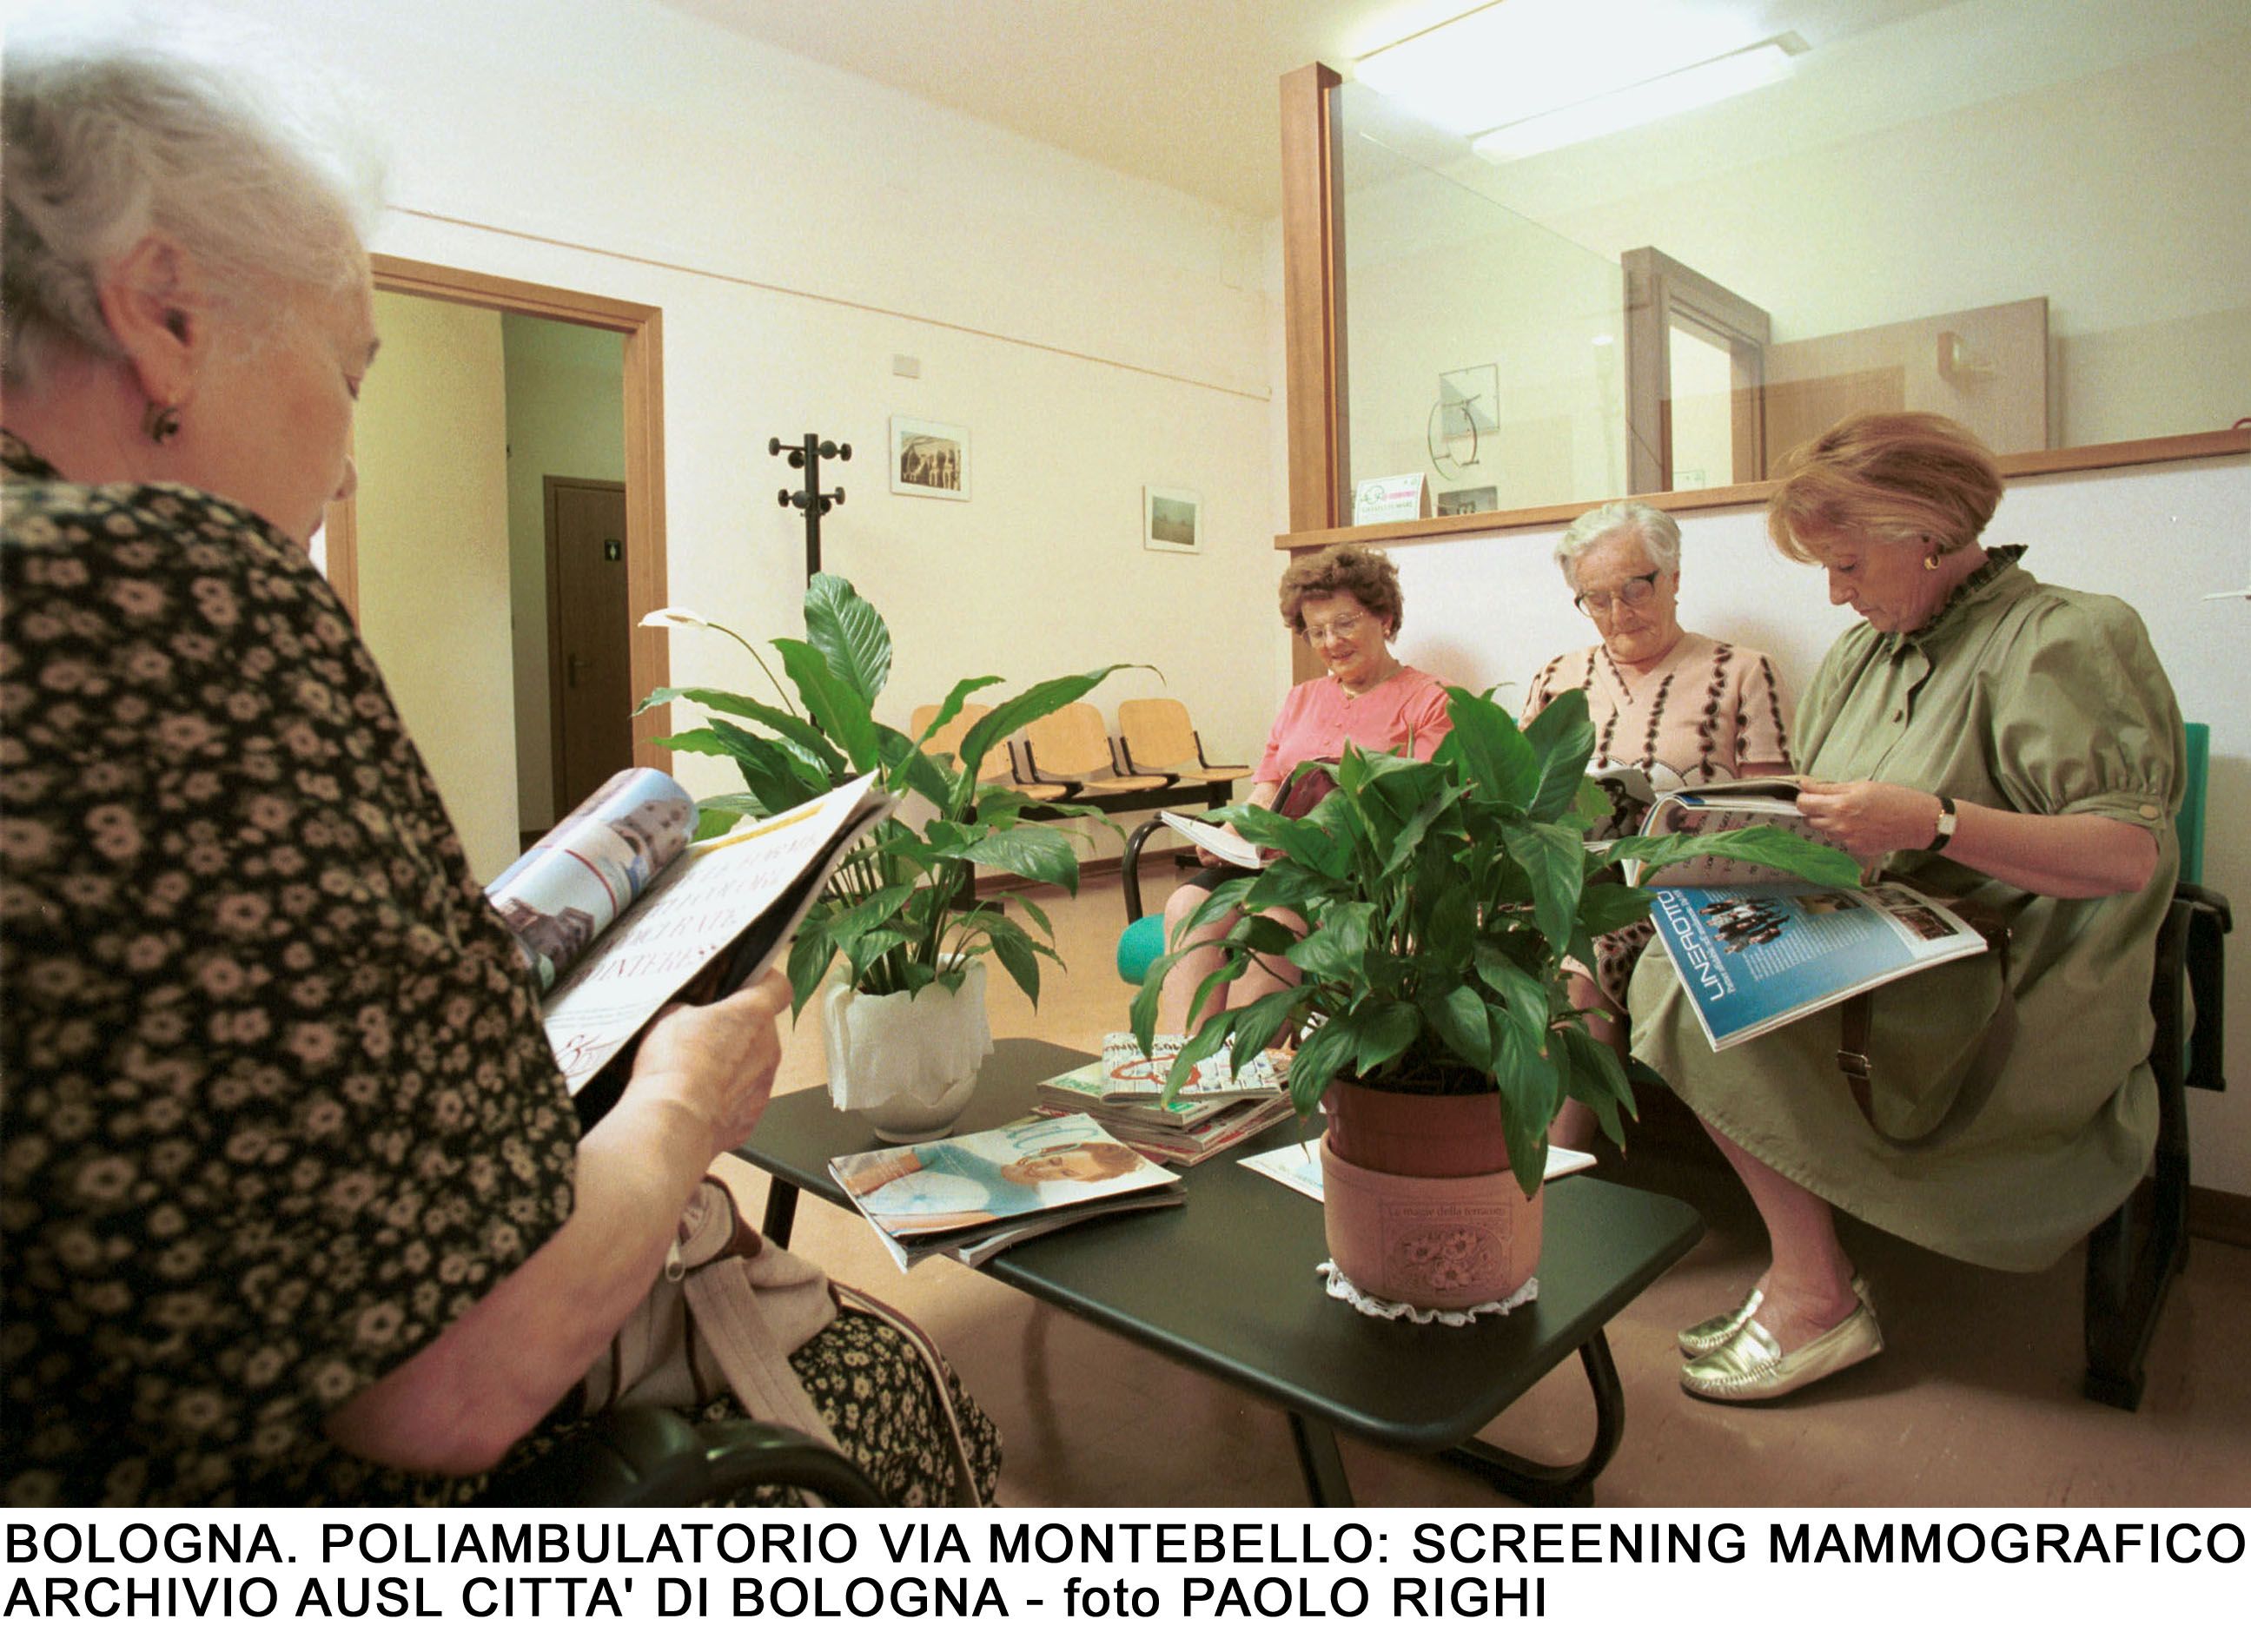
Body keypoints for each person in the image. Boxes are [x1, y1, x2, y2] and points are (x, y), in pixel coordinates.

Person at [0, 31, 996, 1506]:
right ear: (164, 313)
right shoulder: (146, 585)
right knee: (884, 1377)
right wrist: (681, 1096)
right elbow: (452, 1376)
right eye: (347, 372)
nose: (348, 462)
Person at [1627, 412, 2183, 1403]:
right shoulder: (1860, 655)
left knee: (1685, 987)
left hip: (2020, 978)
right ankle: (1808, 1278)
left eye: (1845, 565)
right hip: (1889, 937)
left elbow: (2125, 856)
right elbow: (1836, 821)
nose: (1834, 593)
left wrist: (1930, 821)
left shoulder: (2066, 636)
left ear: (1924, 531)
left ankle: (1812, 1294)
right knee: (1680, 953)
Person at [1523, 500, 1795, 1146]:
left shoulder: (1740, 672)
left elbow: (1773, 818)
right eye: (1595, 599)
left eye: (1634, 588)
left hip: (1682, 894)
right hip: (1565, 883)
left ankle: (1549, 1174)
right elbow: (1519, 797)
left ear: (1673, 577)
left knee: (1579, 967)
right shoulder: (1558, 676)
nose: (1618, 613)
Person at [1157, 544, 1453, 1029]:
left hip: (1354, 877)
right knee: (1187, 903)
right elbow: (1268, 788)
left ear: (1384, 617)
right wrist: (1231, 836)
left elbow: (1419, 813)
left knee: (1272, 924)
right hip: (1273, 863)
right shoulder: (1302, 698)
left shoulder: (1430, 700)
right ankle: (1182, 1060)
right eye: (1317, 631)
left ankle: (1243, 1066)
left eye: (1345, 623)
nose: (1332, 642)